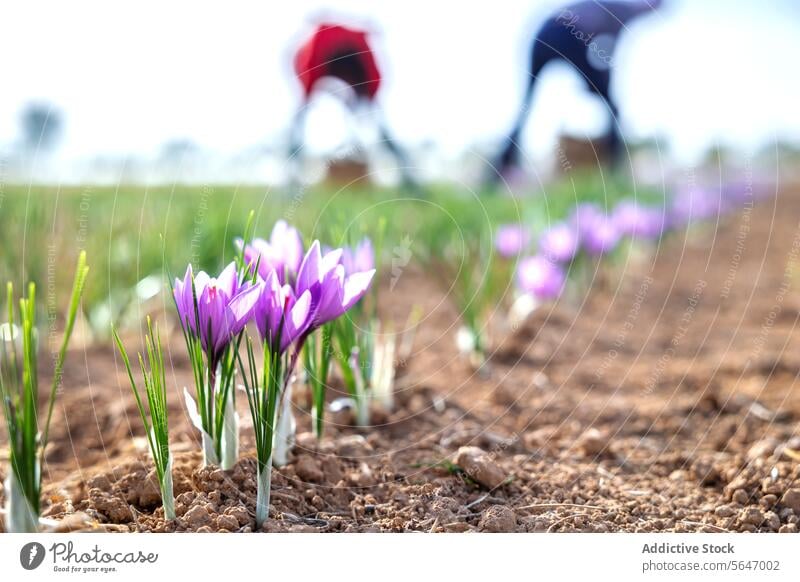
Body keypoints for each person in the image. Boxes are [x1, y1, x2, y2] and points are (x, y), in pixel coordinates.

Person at [490, 0, 662, 183]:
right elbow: (606, 51)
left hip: (544, 33)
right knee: (613, 109)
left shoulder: (610, 7)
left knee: (527, 105)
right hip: (566, 34)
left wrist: (593, 82)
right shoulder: (623, 12)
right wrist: (598, 84)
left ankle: (499, 171)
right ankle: (613, 173)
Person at [289, 22, 419, 190]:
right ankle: (291, 183)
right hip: (316, 57)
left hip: (356, 63)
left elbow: (373, 111)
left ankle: (410, 181)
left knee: (380, 124)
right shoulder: (313, 57)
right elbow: (304, 104)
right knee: (298, 125)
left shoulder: (369, 70)